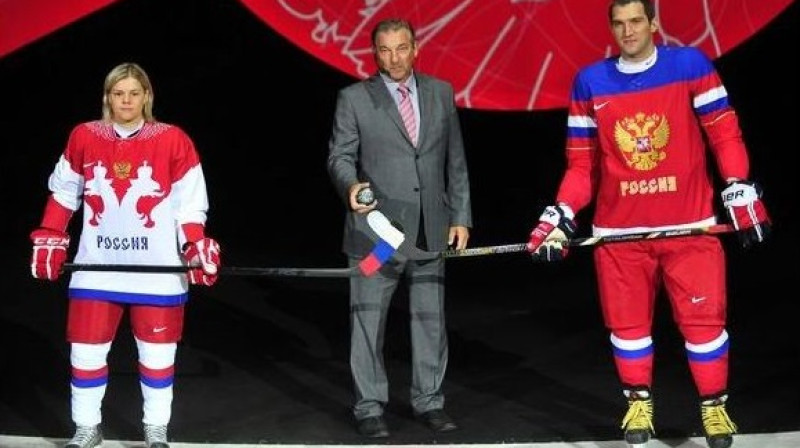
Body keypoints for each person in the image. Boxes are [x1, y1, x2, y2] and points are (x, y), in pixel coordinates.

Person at [524, 1, 771, 448]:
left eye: (636, 21)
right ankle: (638, 404)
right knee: (628, 329)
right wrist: (560, 213)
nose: (628, 31)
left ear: (653, 24)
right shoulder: (590, 81)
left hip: (690, 229)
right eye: (618, 24)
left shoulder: (689, 65)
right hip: (619, 237)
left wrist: (738, 185)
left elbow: (724, 132)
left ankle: (714, 408)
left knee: (704, 327)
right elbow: (581, 167)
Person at [29, 62, 221, 448]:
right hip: (96, 268)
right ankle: (86, 428)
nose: (127, 100)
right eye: (119, 93)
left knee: (157, 356)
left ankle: (156, 430)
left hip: (157, 271)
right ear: (108, 97)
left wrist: (194, 244)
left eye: (135, 92)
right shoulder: (83, 135)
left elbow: (189, 205)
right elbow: (66, 192)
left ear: (147, 96)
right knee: (85, 352)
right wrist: (51, 234)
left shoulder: (174, 139)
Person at [327, 18, 472, 438]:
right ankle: (369, 406)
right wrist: (350, 185)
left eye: (401, 48)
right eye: (385, 50)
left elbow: (455, 161)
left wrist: (460, 216)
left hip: (430, 228)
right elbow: (339, 157)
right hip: (376, 234)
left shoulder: (440, 92)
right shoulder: (354, 98)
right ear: (375, 54)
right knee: (368, 320)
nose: (394, 58)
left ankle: (429, 401)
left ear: (415, 48)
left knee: (430, 319)